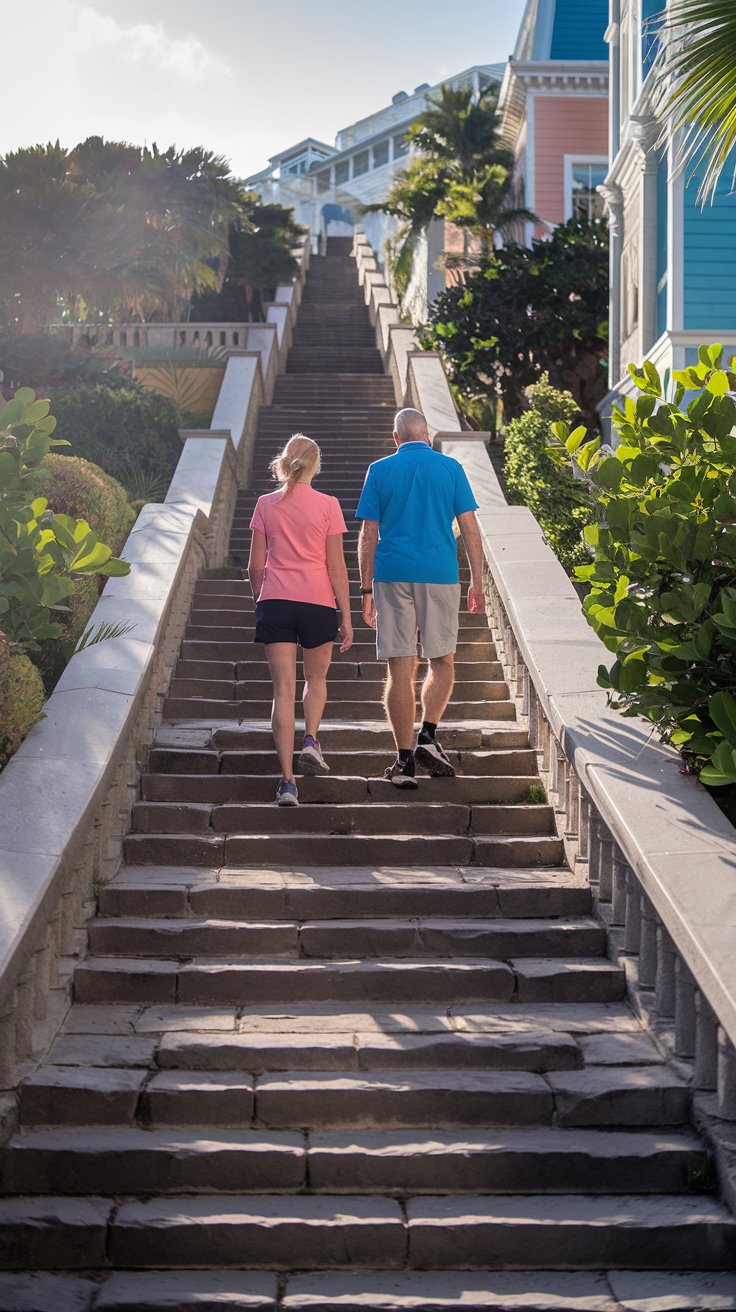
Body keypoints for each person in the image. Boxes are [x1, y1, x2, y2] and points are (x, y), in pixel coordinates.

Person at [356, 408, 485, 788]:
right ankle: (428, 735)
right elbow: (470, 528)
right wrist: (476, 581)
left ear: (395, 437)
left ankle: (405, 759)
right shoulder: (450, 468)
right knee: (442, 660)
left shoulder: (379, 470)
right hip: (440, 574)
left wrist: (365, 590)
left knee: (400, 668)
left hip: (392, 576)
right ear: (426, 435)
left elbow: (368, 535)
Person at [248, 434, 353, 806]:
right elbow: (336, 566)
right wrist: (346, 614)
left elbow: (254, 566)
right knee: (316, 678)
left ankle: (288, 782)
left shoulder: (265, 504)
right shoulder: (328, 505)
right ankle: (310, 739)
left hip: (276, 599)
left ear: (285, 461)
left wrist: (262, 597)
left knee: (282, 691)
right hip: (318, 602)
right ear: (316, 465)